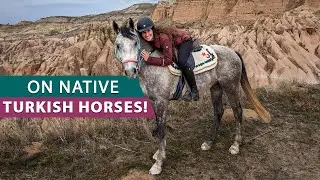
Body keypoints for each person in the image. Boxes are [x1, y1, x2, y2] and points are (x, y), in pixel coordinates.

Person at [136, 16, 199, 101]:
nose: (147, 34)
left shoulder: (163, 38)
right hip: (172, 44)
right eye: (144, 33)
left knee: (181, 62)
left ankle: (194, 91)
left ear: (152, 30)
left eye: (148, 31)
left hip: (184, 41)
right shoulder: (149, 39)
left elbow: (168, 60)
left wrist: (149, 59)